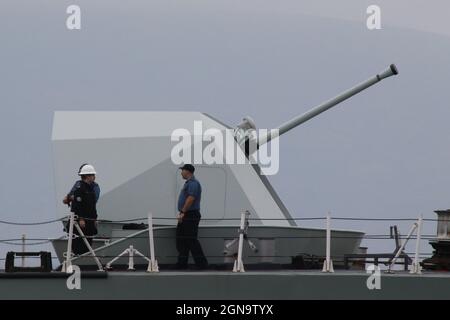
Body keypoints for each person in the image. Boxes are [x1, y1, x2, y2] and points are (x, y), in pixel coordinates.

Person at [175, 164, 208, 269]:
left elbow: (190, 198)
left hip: (190, 215)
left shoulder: (193, 184)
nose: (181, 172)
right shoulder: (189, 183)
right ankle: (182, 263)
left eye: (182, 170)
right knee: (182, 240)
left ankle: (202, 264)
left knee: (191, 239)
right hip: (186, 215)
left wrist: (183, 212)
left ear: (188, 171)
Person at [66, 164, 99, 255]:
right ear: (87, 176)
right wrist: (80, 218)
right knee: (79, 245)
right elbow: (77, 205)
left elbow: (92, 206)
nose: (94, 177)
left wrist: (95, 218)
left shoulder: (92, 188)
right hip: (81, 223)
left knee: (87, 245)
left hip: (89, 222)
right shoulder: (80, 189)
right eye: (92, 175)